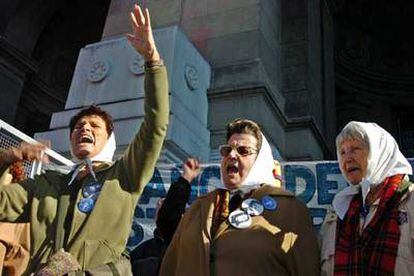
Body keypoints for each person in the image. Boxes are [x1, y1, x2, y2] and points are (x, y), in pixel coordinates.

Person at [0, 4, 169, 274]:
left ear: (109, 140)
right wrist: (7, 157)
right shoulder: (46, 183)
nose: (84, 129)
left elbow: (155, 125)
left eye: (94, 126)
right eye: (78, 126)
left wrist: (152, 61)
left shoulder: (124, 176)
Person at [159, 119, 320, 276]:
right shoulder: (199, 207)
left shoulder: (289, 210)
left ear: (260, 161)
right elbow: (170, 265)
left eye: (243, 151)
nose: (232, 155)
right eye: (227, 150)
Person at [319, 121, 414, 275]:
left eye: (355, 149)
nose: (347, 158)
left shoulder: (409, 202)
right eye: (342, 152)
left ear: (380, 153)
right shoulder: (337, 214)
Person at [130, 158, 201, 276]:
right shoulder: (140, 252)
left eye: (166, 205)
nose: (163, 209)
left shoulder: (187, 247)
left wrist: (186, 179)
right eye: (160, 206)